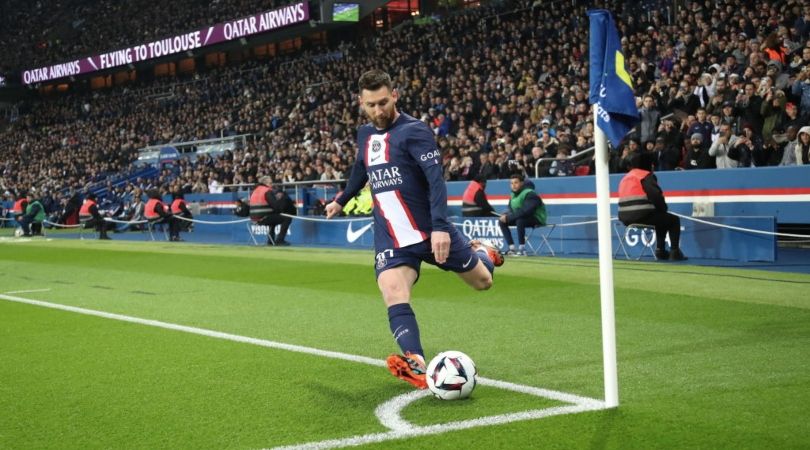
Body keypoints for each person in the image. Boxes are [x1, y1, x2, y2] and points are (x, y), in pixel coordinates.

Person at [324, 69, 503, 390]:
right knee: (393, 291)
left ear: (394, 96)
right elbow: (360, 169)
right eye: (371, 105)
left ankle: (483, 253)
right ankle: (416, 362)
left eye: (383, 102)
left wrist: (439, 228)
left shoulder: (415, 131)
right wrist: (341, 199)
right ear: (361, 103)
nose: (378, 111)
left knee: (482, 282)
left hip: (430, 231)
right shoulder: (364, 134)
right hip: (391, 236)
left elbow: (436, 180)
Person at [617, 153, 687, 261]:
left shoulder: (625, 178)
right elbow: (655, 195)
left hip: (624, 218)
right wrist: (663, 208)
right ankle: (674, 252)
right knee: (673, 220)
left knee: (661, 219)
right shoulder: (645, 175)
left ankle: (661, 251)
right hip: (641, 215)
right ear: (647, 164)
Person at [497, 173, 547, 256]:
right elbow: (511, 209)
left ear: (521, 183)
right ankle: (511, 248)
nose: (513, 185)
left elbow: (526, 211)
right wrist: (506, 215)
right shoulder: (512, 195)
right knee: (502, 221)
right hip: (523, 217)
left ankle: (522, 249)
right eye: (511, 183)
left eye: (516, 183)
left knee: (520, 220)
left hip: (537, 217)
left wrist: (509, 218)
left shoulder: (530, 194)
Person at [249, 176, 294, 246]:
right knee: (287, 218)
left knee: (272, 218)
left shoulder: (255, 191)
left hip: (254, 218)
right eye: (270, 183)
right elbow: (276, 206)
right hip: (263, 218)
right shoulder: (267, 191)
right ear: (265, 183)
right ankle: (280, 240)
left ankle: (270, 241)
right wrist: (281, 200)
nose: (272, 184)